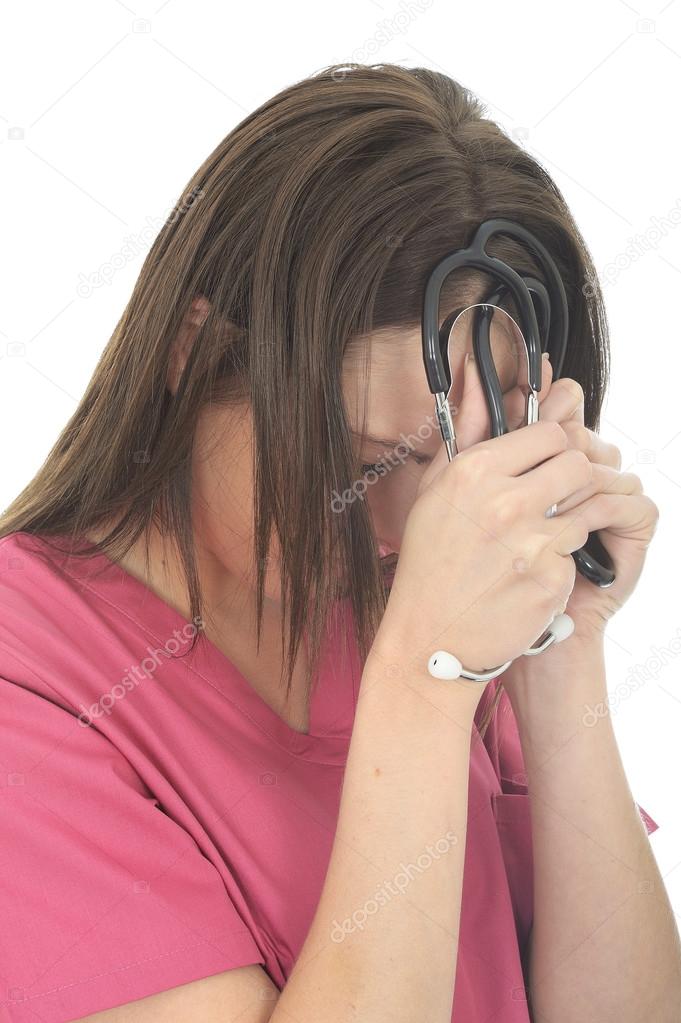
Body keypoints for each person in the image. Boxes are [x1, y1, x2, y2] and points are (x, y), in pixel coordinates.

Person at [0, 62, 678, 1023]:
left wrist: (562, 651)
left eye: (456, 471)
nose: (405, 533)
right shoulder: (29, 690)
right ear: (190, 356)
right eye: (362, 457)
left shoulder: (446, 607)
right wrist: (422, 683)